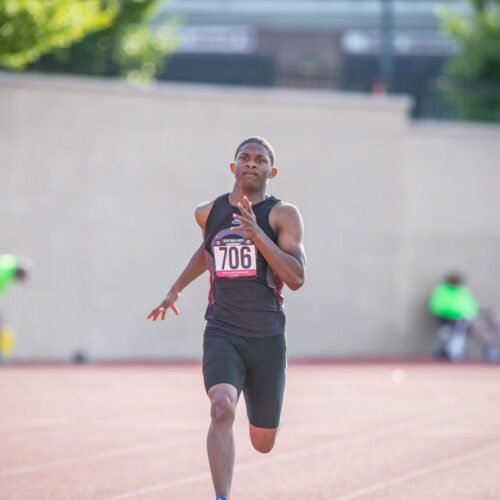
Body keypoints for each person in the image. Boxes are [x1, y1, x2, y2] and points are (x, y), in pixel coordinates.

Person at [147, 136, 306, 500]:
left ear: (272, 171)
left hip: (266, 337)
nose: (251, 164)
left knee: (263, 442)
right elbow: (208, 251)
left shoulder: (283, 215)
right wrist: (176, 287)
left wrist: (257, 235)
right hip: (222, 331)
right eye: (244, 158)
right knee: (221, 409)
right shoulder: (208, 212)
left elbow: (296, 278)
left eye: (260, 160)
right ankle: (222, 496)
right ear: (232, 166)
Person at [428, 272, 479, 362]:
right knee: (457, 327)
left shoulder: (463, 291)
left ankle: (456, 351)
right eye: (455, 280)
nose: (457, 282)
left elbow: (472, 307)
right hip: (446, 319)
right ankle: (453, 352)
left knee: (466, 325)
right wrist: (451, 315)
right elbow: (436, 307)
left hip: (463, 320)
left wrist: (468, 315)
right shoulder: (441, 290)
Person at [0, 254, 29, 362]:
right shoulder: (6, 273)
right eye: (20, 278)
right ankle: (2, 356)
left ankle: (3, 355)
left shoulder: (9, 262)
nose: (16, 280)